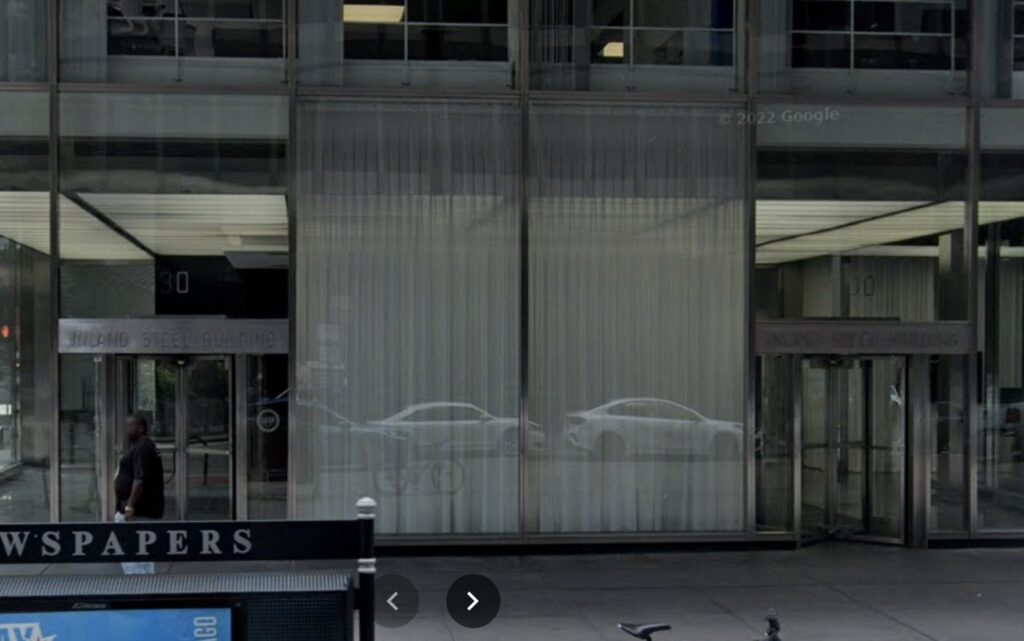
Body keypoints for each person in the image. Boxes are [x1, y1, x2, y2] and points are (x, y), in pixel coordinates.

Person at [115, 412, 165, 574]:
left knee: (130, 554)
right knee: (143, 555)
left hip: (137, 512)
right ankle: (146, 591)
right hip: (143, 511)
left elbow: (140, 480)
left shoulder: (142, 447)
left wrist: (129, 507)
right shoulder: (144, 446)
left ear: (141, 428)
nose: (126, 429)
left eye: (130, 426)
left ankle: (135, 590)